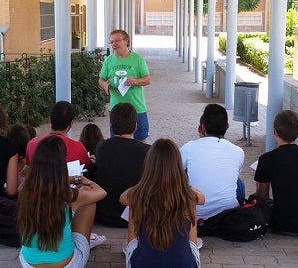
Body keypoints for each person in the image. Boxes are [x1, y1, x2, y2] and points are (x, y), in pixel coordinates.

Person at [16, 136, 107, 268]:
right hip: (67, 264)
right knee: (89, 201)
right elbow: (101, 192)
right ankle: (84, 240)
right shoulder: (70, 195)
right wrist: (81, 179)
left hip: (29, 264)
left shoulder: (24, 191)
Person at [120, 139, 205, 268]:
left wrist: (142, 187)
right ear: (177, 167)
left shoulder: (140, 193)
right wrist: (189, 189)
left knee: (134, 203)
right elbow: (202, 199)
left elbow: (122, 198)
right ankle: (190, 246)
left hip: (143, 264)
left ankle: (131, 247)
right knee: (190, 202)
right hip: (185, 264)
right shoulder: (187, 194)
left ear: (149, 166)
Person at [254, 110, 298, 235]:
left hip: (283, 225)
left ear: (275, 132)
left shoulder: (266, 159)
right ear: (297, 133)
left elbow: (263, 196)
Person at [179, 104, 244, 222]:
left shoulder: (188, 148)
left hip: (195, 216)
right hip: (228, 217)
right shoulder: (238, 151)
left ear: (201, 128)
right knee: (239, 183)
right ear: (227, 127)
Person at [95, 103, 150, 228]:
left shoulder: (101, 147)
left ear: (111, 126)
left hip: (104, 216)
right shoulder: (148, 151)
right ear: (136, 126)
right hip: (138, 216)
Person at [99, 29, 151, 142]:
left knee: (140, 141)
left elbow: (147, 79)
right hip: (116, 108)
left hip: (137, 107)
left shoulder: (138, 59)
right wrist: (104, 85)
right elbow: (101, 79)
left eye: (117, 40)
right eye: (111, 42)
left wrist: (136, 81)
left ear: (127, 41)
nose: (114, 44)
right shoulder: (109, 60)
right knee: (117, 143)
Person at [25, 101, 91, 169]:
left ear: (50, 119)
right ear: (71, 123)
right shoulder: (78, 148)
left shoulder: (31, 144)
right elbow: (87, 165)